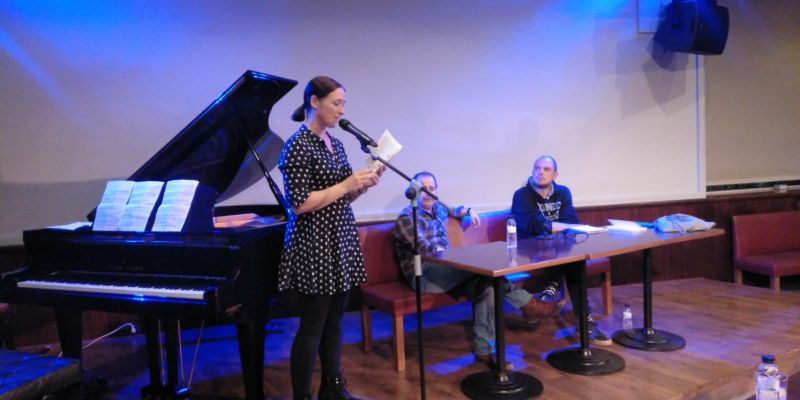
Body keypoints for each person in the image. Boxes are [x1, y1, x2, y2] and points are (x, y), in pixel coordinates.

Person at [278, 76, 384, 400]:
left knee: (336, 320)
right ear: (314, 102)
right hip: (314, 246)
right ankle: (302, 395)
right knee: (313, 326)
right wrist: (345, 185)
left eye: (343, 104)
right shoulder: (297, 144)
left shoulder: (335, 144)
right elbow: (298, 203)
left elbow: (342, 197)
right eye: (336, 103)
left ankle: (332, 388)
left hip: (339, 240)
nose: (341, 110)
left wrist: (362, 186)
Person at [392, 171, 558, 369]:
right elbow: (423, 248)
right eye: (423, 189)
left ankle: (485, 351)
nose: (428, 193)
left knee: (488, 285)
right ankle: (529, 304)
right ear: (414, 191)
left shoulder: (437, 209)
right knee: (484, 271)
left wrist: (469, 211)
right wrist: (451, 255)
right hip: (424, 274)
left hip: (446, 269)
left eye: (432, 189)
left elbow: (454, 210)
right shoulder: (406, 218)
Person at [511, 155, 612, 345]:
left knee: (575, 261)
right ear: (532, 172)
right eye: (537, 168)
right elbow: (534, 225)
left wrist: (558, 228)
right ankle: (559, 295)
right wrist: (560, 228)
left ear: (555, 174)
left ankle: (580, 317)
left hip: (557, 245)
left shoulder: (563, 192)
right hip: (529, 247)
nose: (540, 172)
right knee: (571, 260)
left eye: (546, 169)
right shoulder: (521, 195)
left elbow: (571, 221)